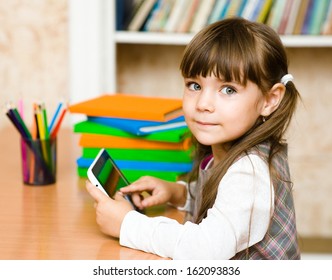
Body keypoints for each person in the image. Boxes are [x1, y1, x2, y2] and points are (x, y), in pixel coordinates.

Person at [86, 17, 301, 260]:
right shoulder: (226, 147)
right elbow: (224, 202)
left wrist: (127, 224)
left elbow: (204, 250)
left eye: (228, 89)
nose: (203, 104)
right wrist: (179, 193)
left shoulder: (249, 173)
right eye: (194, 85)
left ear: (269, 100)